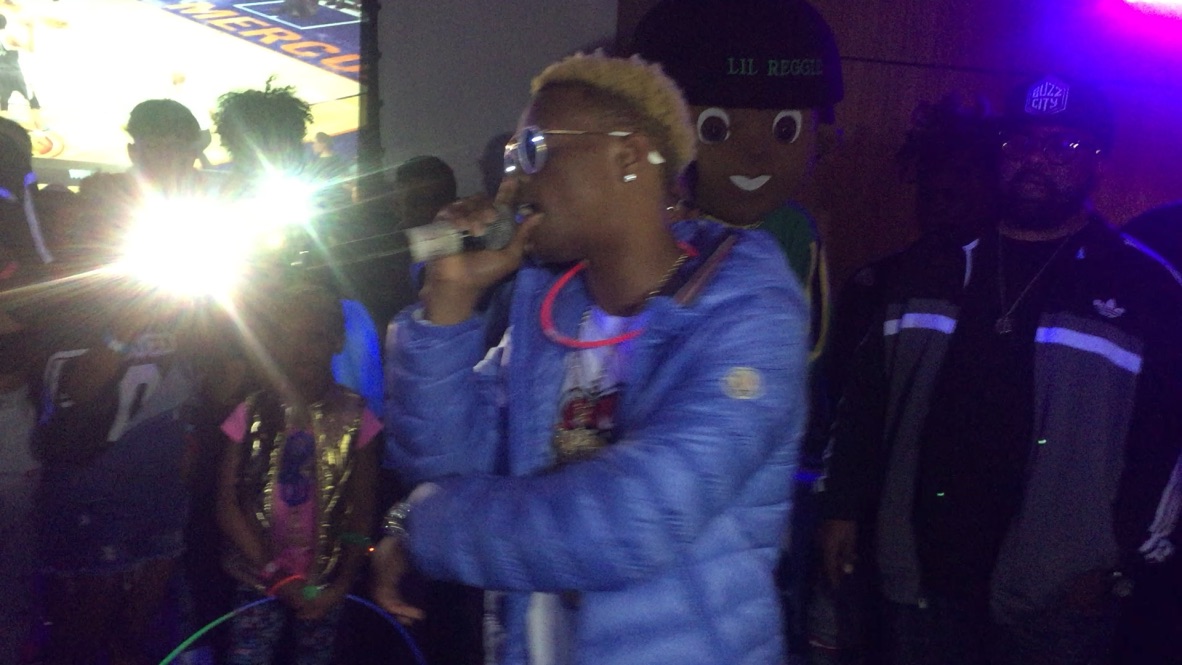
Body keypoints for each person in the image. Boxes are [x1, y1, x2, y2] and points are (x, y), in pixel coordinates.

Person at [371, 51, 810, 665]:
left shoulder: (748, 313)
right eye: (512, 158)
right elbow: (445, 470)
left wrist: (424, 530)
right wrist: (448, 301)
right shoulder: (552, 316)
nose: (513, 184)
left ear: (627, 158)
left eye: (534, 150)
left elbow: (635, 519)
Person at [818, 74, 1182, 665]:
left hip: (1060, 592)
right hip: (920, 570)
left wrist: (1121, 562)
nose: (1037, 160)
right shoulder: (927, 266)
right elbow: (865, 398)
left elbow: (1166, 441)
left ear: (1098, 162)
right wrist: (841, 506)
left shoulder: (1144, 288)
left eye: (1064, 146)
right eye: (1021, 142)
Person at [631, 1, 845, 658]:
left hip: (747, 495)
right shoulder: (646, 228)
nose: (754, 152)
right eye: (717, 127)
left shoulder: (795, 235)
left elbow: (805, 357)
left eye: (784, 128)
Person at [217, 277, 380, 665]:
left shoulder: (357, 418)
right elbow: (226, 503)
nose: (300, 350)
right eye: (286, 338)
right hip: (258, 575)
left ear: (336, 341)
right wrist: (274, 572)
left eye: (314, 337)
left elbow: (362, 510)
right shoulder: (251, 412)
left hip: (325, 584)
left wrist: (342, 583)